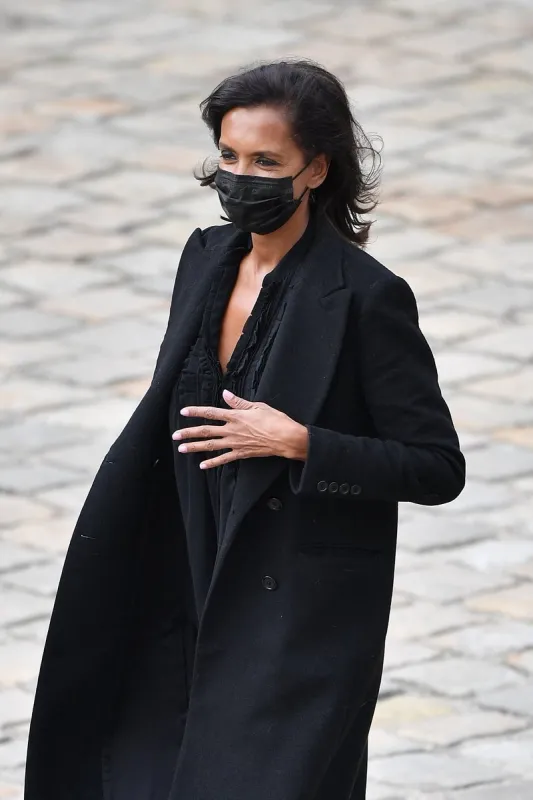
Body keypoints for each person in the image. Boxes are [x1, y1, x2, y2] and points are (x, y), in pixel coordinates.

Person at [24, 60, 465, 800]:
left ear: (315, 170)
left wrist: (301, 442)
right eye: (229, 157)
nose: (239, 177)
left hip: (292, 604)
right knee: (140, 765)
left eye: (266, 162)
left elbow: (434, 466)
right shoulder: (203, 257)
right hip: (176, 567)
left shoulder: (366, 298)